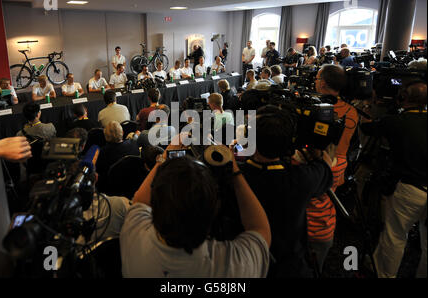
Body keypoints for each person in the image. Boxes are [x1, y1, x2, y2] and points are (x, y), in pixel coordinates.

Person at [119, 133, 271, 278]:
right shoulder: (236, 266)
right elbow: (259, 228)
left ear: (156, 208)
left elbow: (140, 200)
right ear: (214, 210)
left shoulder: (133, 235)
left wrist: (165, 155)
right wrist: (234, 170)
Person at [240, 105, 334, 277]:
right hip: (290, 266)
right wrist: (313, 147)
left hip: (246, 263)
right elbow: (325, 165)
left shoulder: (236, 178)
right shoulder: (302, 179)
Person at [361, 81, 427, 278]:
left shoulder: (396, 121)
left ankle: (384, 274)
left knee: (395, 235)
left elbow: (367, 128)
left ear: (402, 98)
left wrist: (368, 105)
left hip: (409, 189)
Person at [307, 64, 359, 272]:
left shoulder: (316, 109)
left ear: (323, 83)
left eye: (318, 78)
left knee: (313, 207)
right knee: (326, 203)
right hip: (340, 165)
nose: (315, 81)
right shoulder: (352, 110)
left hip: (318, 164)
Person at [96, 121, 140, 191]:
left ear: (105, 136)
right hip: (133, 186)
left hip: (111, 189)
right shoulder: (134, 144)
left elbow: (100, 174)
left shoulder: (102, 153)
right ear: (122, 132)